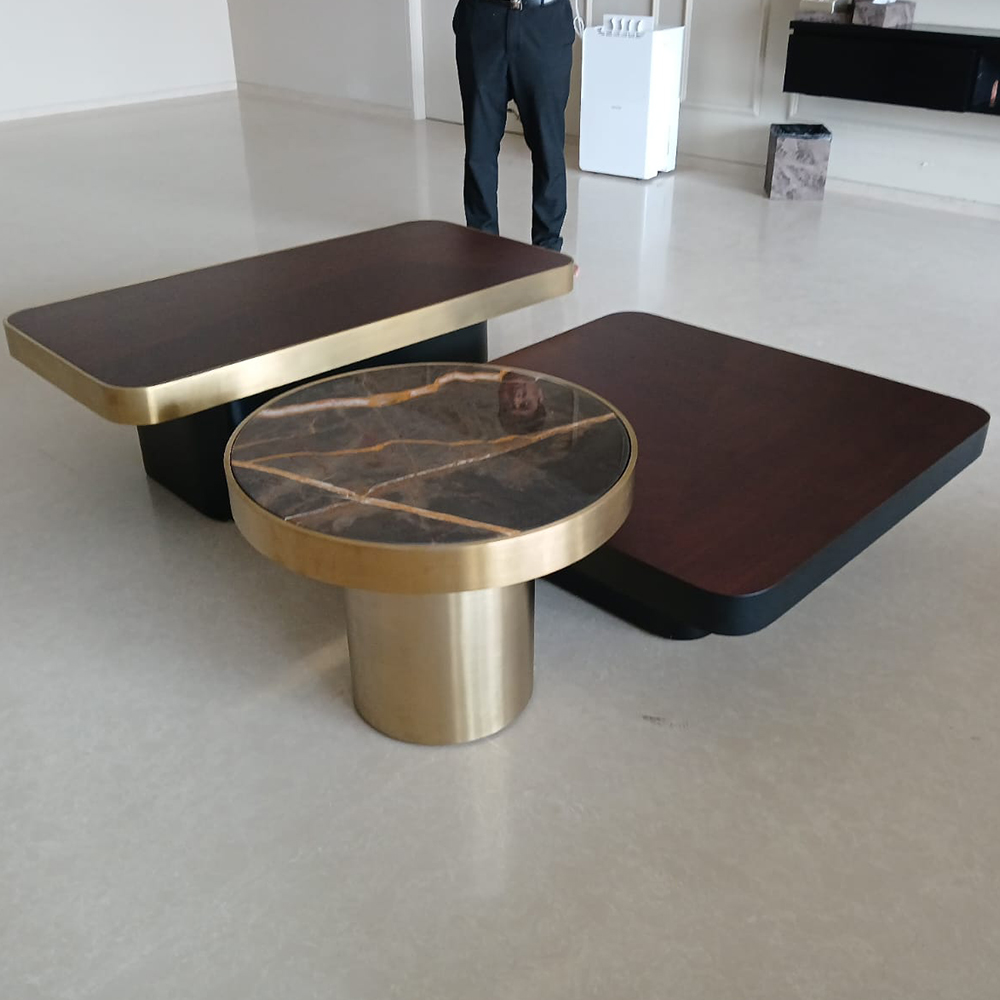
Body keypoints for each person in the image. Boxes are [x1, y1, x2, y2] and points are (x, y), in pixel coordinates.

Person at [453, 0, 576, 253]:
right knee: (479, 147)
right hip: (482, 19)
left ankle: (548, 252)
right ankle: (482, 250)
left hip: (545, 20)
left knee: (548, 148)